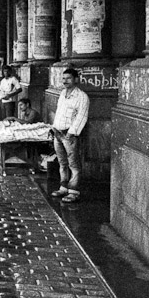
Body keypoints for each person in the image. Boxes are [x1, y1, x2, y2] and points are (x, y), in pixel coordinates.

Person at [51, 68, 90, 203]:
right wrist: (54, 128)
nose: (65, 81)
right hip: (58, 133)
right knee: (62, 162)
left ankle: (73, 191)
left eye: (68, 78)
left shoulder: (82, 96)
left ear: (76, 80)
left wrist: (71, 133)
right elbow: (59, 112)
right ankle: (63, 187)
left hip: (69, 135)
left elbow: (81, 117)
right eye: (63, 78)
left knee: (73, 164)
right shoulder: (62, 93)